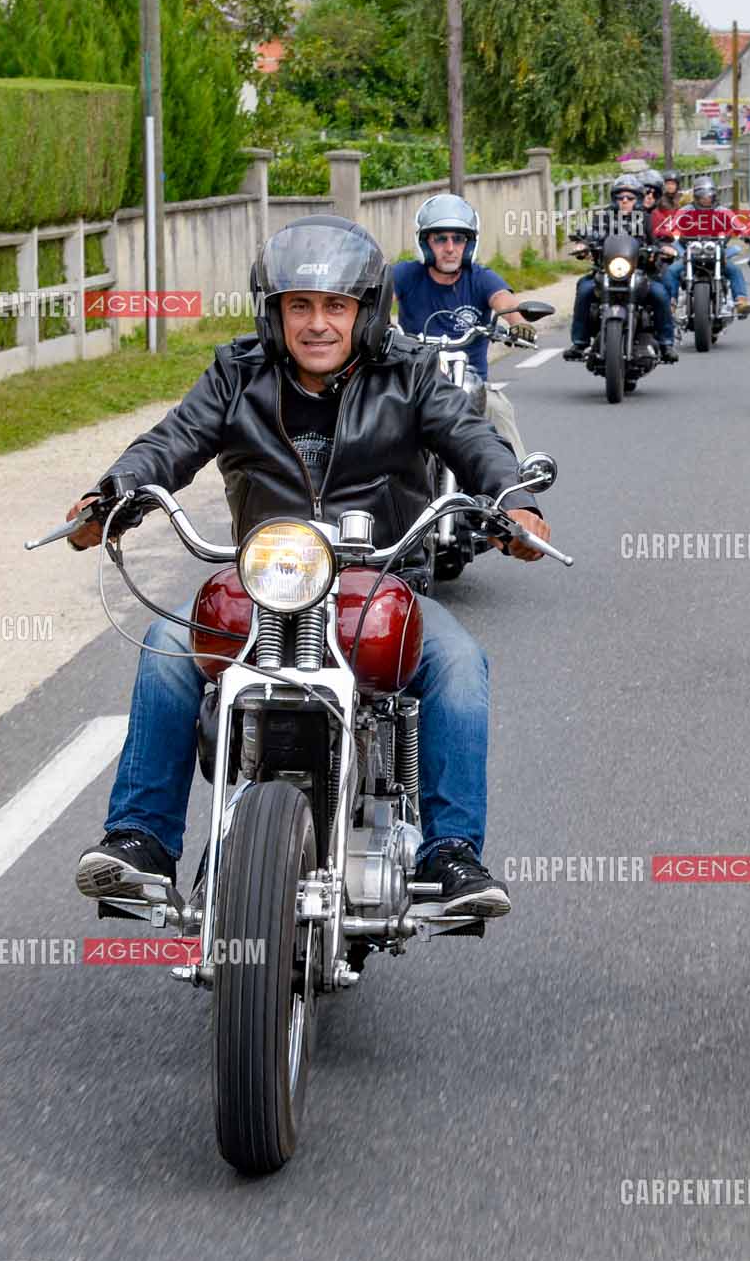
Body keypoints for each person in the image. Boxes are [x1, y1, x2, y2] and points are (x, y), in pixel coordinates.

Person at [63, 215, 553, 920]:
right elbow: (171, 442)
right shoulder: (237, 373)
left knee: (458, 665)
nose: (317, 323)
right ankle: (140, 842)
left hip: (380, 586)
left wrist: (513, 501)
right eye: (300, 306)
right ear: (275, 313)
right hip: (263, 588)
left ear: (366, 312)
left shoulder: (410, 372)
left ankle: (451, 857)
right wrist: (111, 496)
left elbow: (471, 436)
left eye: (335, 307)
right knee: (168, 647)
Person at [388, 194, 534, 456]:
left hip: (469, 383)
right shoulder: (406, 274)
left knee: (497, 408)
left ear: (469, 244)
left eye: (458, 239)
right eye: (440, 239)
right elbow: (380, 301)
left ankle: (518, 491)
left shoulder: (480, 278)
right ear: (426, 243)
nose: (450, 247)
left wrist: (518, 323)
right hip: (412, 381)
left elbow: (504, 301)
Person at [565, 174, 678, 363]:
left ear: (638, 199)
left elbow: (661, 238)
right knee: (584, 289)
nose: (624, 201)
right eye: (620, 197)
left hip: (642, 272)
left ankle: (666, 344)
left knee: (660, 294)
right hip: (606, 272)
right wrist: (583, 244)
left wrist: (663, 247)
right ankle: (580, 342)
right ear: (614, 199)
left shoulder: (648, 220)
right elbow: (590, 234)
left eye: (630, 197)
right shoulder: (603, 218)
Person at [656, 176, 750, 316]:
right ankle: (671, 303)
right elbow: (670, 225)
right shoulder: (685, 211)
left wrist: (747, 235)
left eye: (709, 196)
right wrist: (663, 233)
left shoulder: (723, 211)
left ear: (714, 196)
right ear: (696, 196)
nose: (706, 199)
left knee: (734, 270)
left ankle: (741, 300)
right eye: (702, 196)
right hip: (690, 251)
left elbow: (738, 225)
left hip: (716, 250)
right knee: (672, 271)